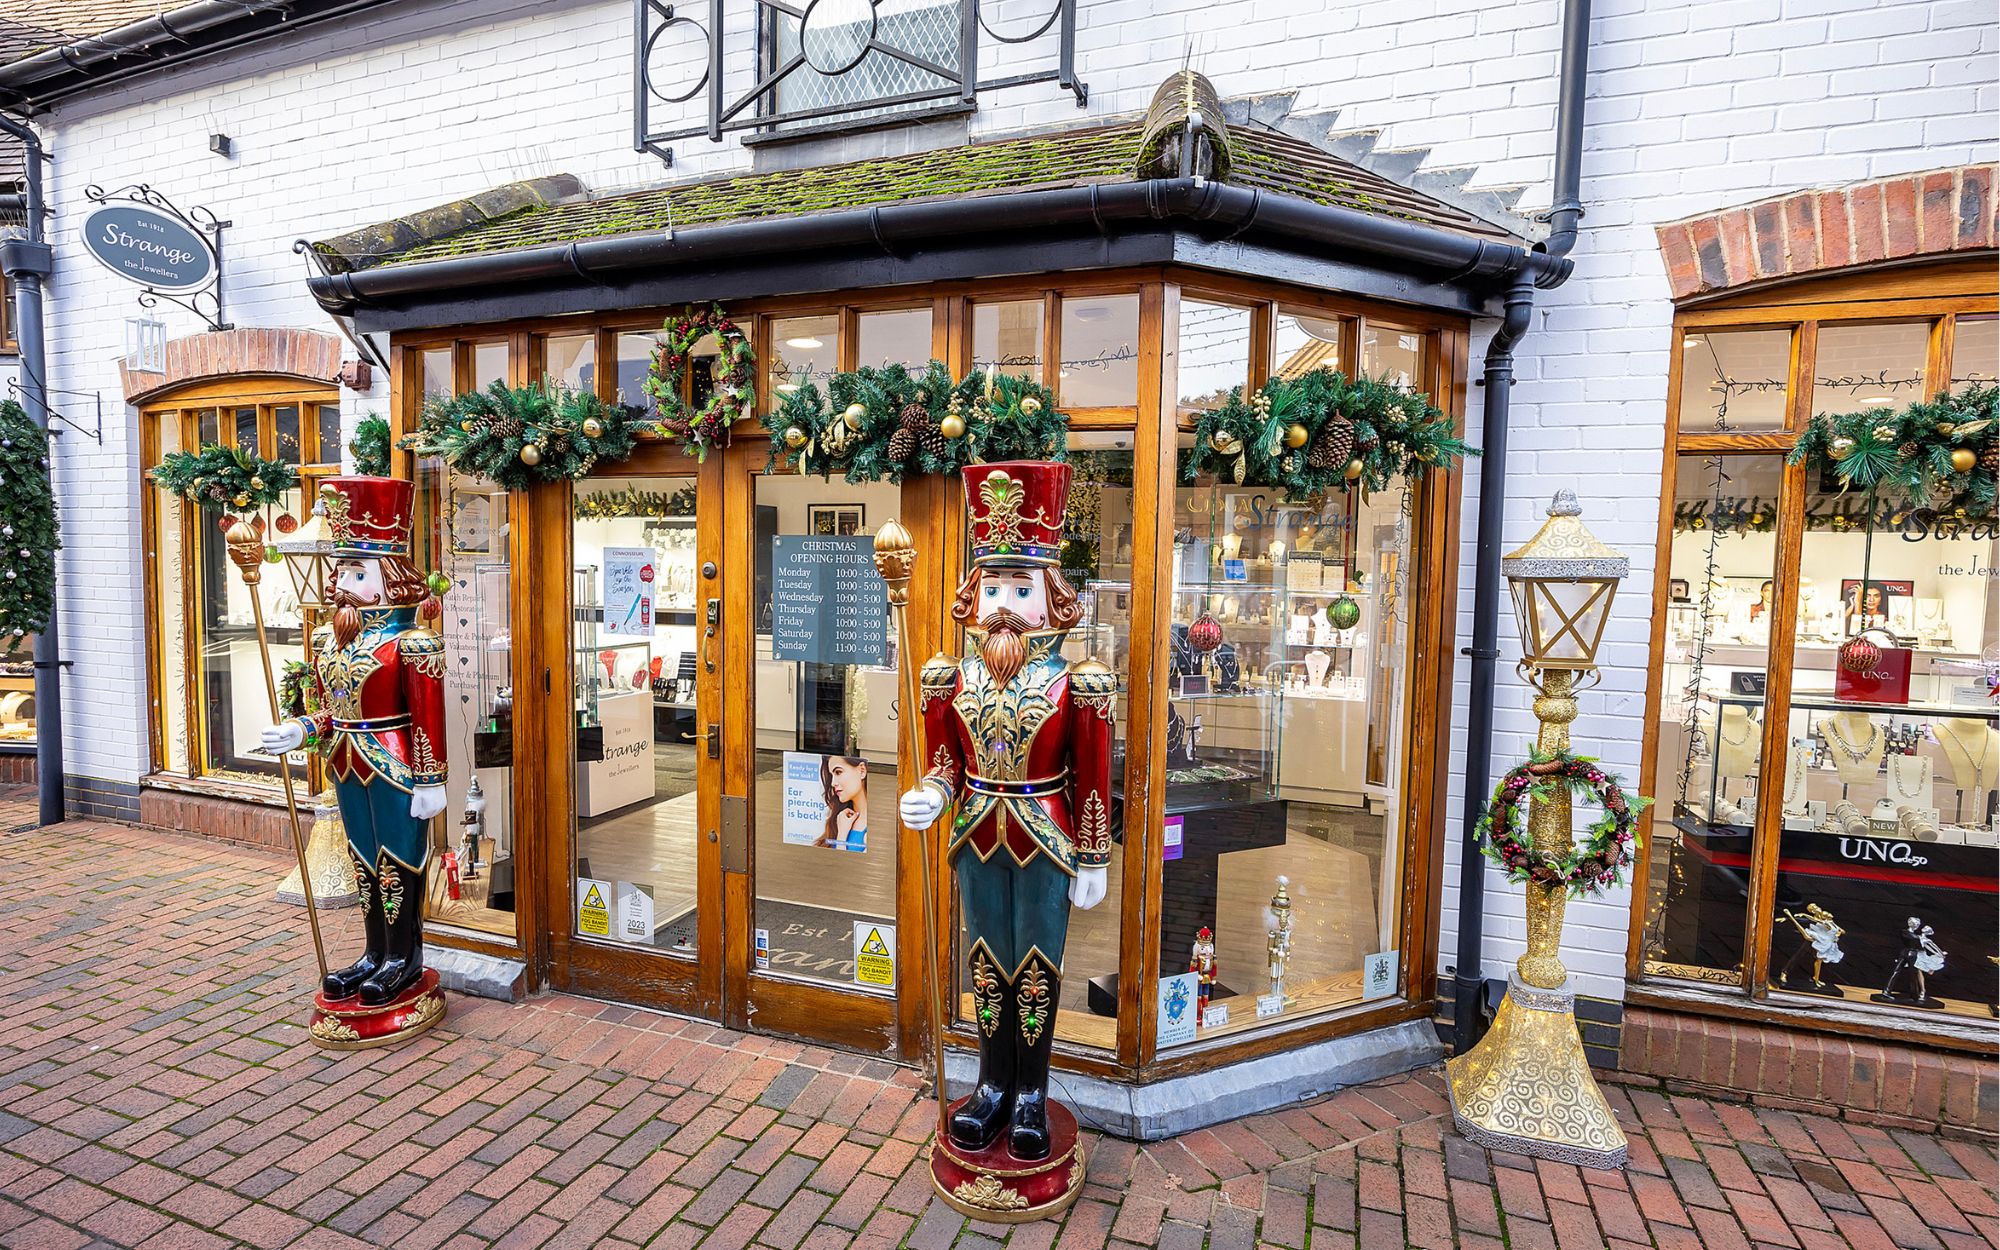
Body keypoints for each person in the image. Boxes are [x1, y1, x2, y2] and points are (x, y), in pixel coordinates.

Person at [899, 461, 1114, 1161]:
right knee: (986, 957)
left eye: (1019, 588)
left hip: (1046, 836)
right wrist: (930, 795)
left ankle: (1030, 1092)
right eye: (992, 585)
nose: (1001, 603)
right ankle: (990, 1085)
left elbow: (1089, 777)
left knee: (1038, 960)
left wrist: (1093, 854)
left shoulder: (1078, 684)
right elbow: (943, 763)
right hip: (976, 832)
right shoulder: (946, 677)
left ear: (1050, 599)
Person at [260, 476, 447, 1008]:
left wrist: (432, 781)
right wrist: (301, 729)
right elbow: (331, 707)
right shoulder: (333, 641)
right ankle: (372, 952)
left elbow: (426, 720)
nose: (342, 581)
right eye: (341, 569)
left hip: (395, 763)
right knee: (362, 854)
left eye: (356, 571)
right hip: (346, 759)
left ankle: (403, 958)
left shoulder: (411, 643)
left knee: (398, 857)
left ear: (389, 580)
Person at [816, 754, 869, 851]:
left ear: (862, 771)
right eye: (832, 775)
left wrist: (842, 836)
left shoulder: (870, 828)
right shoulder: (839, 819)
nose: (833, 783)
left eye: (838, 772)